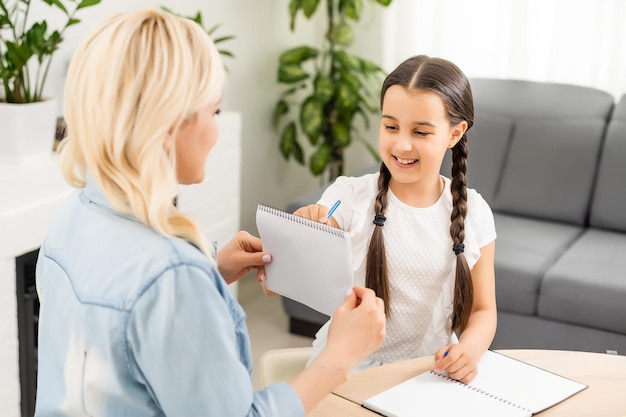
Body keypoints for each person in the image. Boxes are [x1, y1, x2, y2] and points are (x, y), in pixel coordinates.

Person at [34, 9, 385, 417]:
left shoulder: (71, 217)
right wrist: (338, 359)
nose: (217, 130)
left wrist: (209, 268)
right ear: (168, 126)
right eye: (214, 111)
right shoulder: (173, 279)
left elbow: (120, 343)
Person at [295, 55, 497, 383]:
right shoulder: (347, 197)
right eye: (391, 126)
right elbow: (315, 238)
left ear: (455, 133)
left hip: (427, 376)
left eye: (420, 131)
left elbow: (483, 311)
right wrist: (311, 226)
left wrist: (470, 351)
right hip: (346, 374)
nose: (402, 144)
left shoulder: (475, 214)